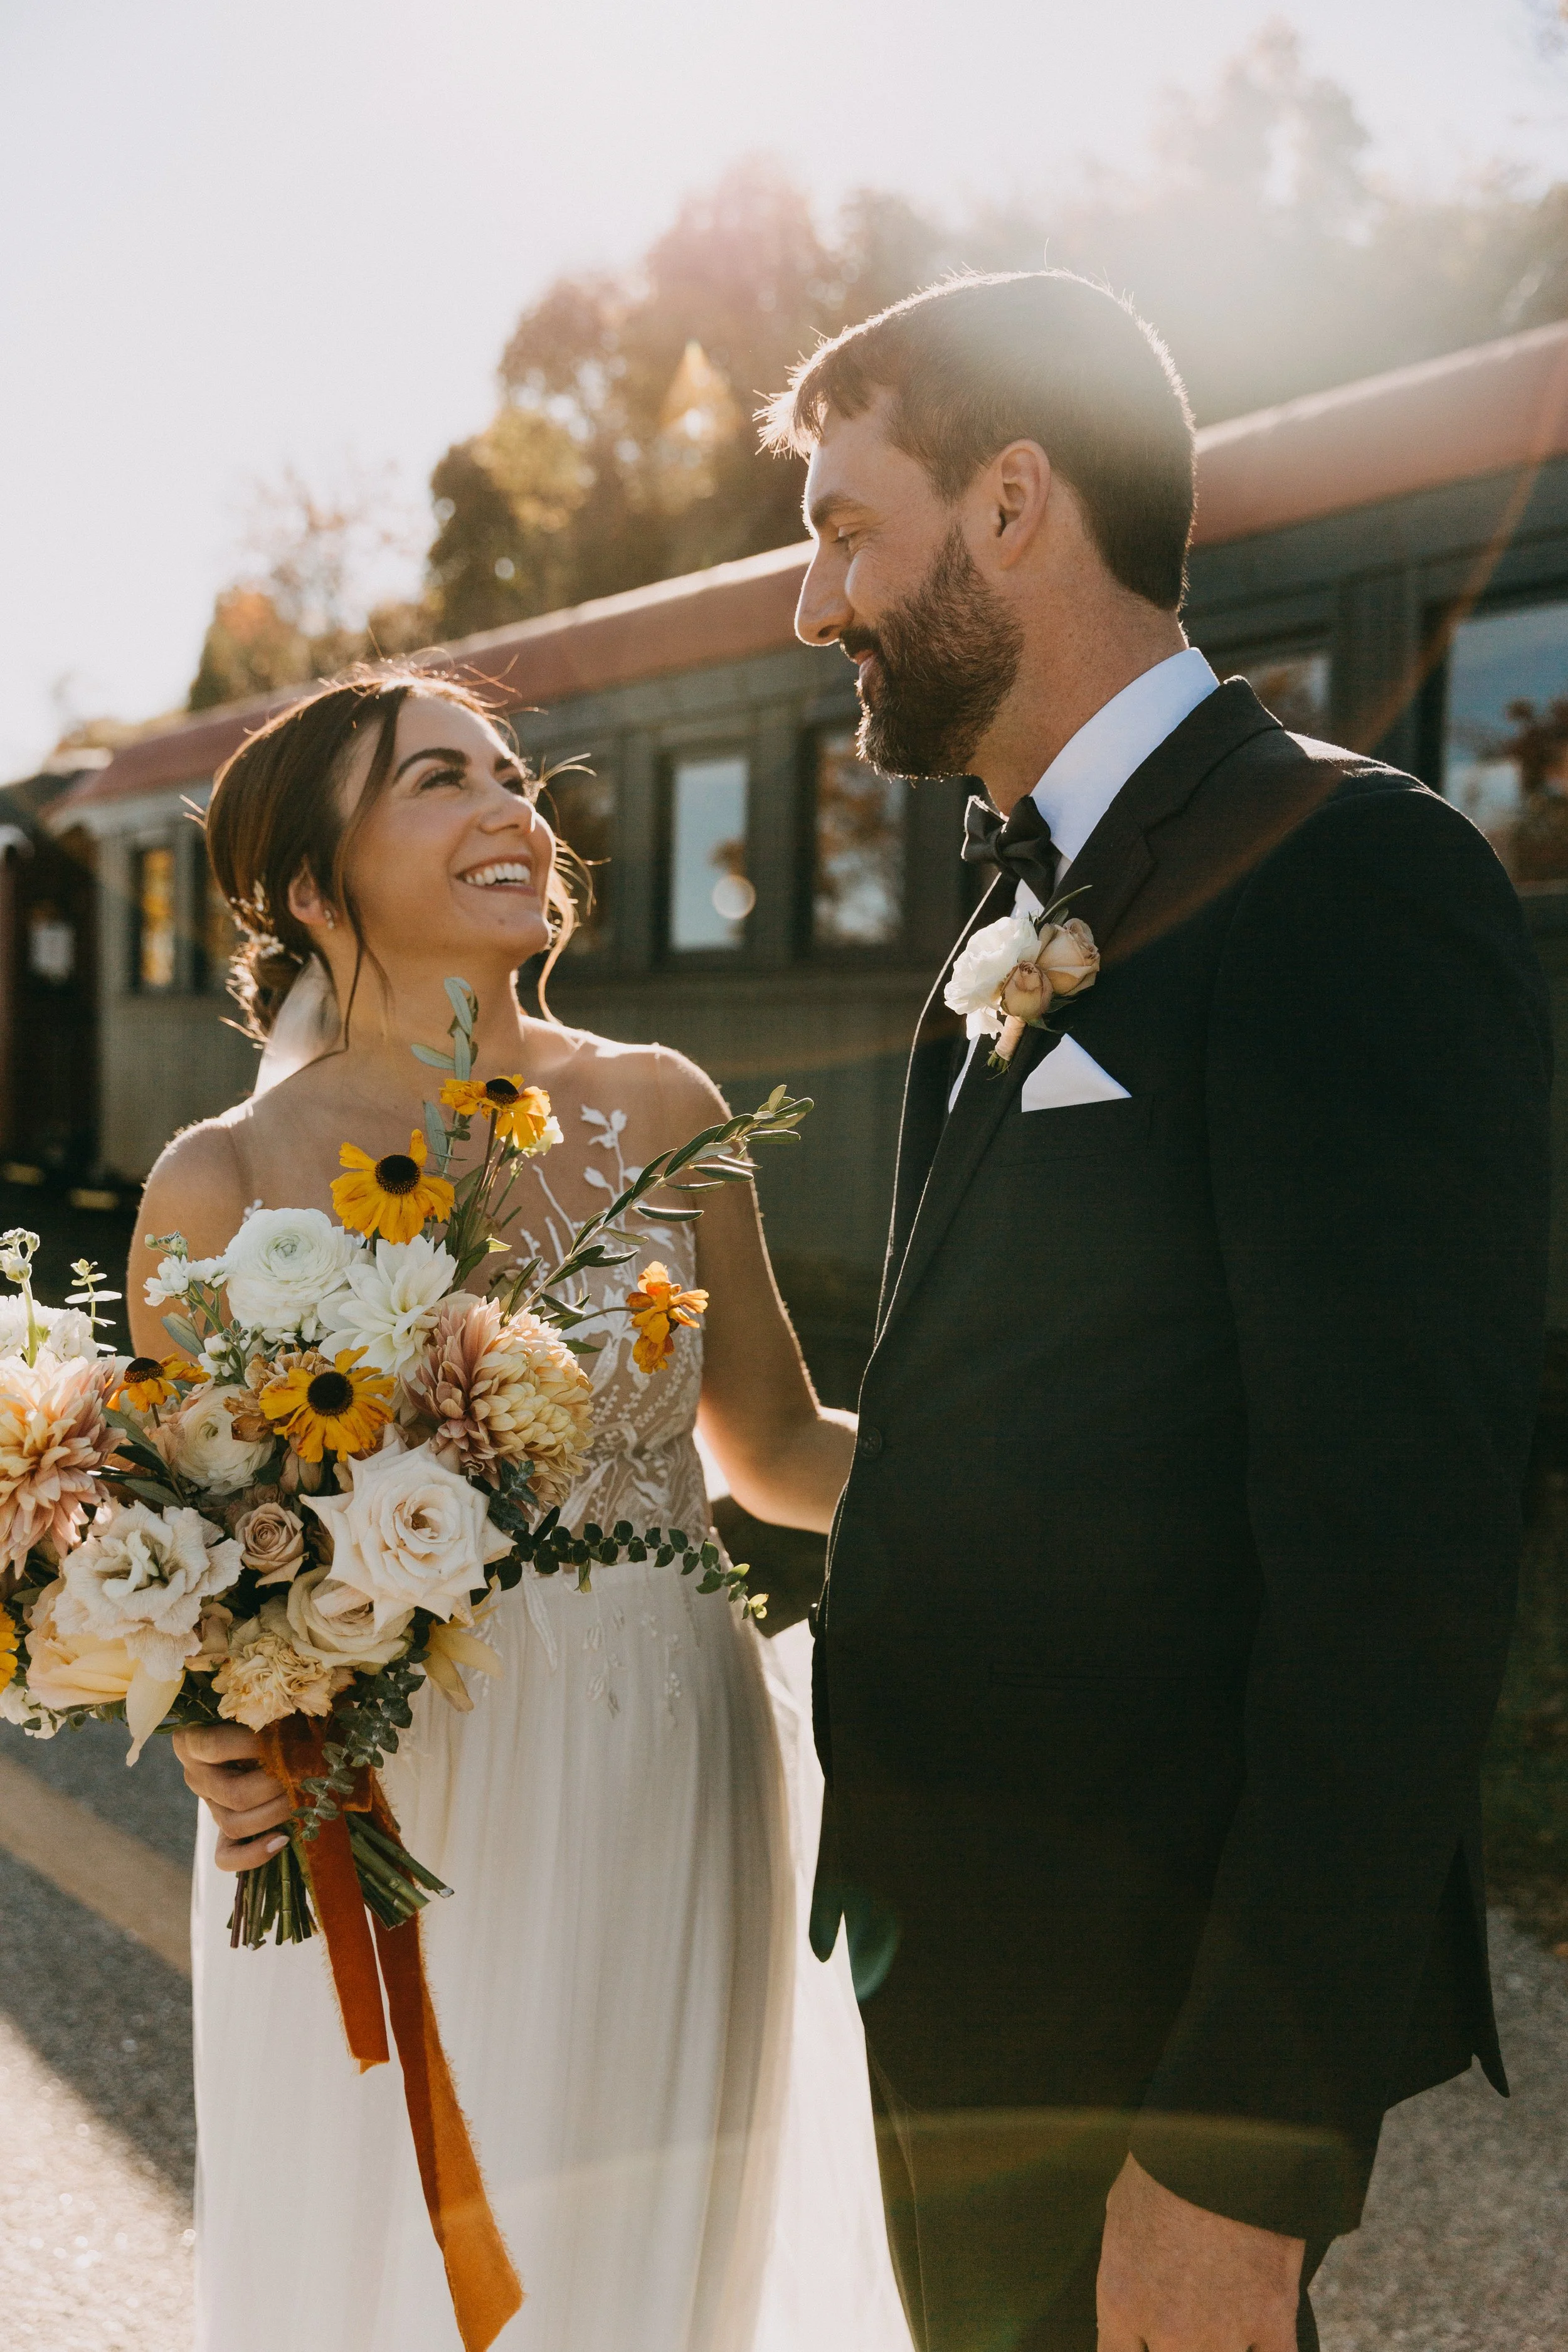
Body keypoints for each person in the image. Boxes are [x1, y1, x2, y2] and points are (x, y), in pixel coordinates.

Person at [761, 270, 1552, 2352]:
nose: (813, 603)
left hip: (1143, 2030)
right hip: (962, 1982)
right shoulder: (1007, 890)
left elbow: (1395, 1572)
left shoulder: (1344, 874)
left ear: (1012, 500)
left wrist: (1235, 2147)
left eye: (843, 528)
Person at [129, 670, 913, 2352]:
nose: (513, 811)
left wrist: (1029, 1479)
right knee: (392, 2277)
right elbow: (178, 1555)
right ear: (311, 885)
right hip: (394, 1794)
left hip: (669, 1750)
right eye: (441, 781)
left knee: (649, 2270)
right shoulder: (222, 1179)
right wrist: (205, 1717)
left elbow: (775, 1444)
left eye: (514, 777)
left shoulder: (665, 1104)